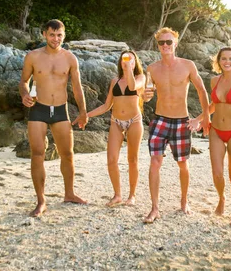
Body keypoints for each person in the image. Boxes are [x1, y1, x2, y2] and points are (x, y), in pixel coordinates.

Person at [19, 19, 88, 217]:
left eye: (59, 35)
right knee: (38, 153)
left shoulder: (70, 58)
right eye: (51, 34)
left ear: (64, 36)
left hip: (60, 110)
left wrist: (83, 111)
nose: (55, 39)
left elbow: (77, 87)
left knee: (67, 154)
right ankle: (41, 201)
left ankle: (69, 194)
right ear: (44, 34)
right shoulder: (32, 56)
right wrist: (24, 94)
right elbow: (24, 81)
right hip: (38, 109)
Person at [142, 27, 211, 223]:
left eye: (168, 42)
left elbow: (201, 90)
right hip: (160, 120)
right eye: (161, 43)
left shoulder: (188, 65)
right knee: (155, 162)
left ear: (176, 44)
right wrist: (144, 96)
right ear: (158, 45)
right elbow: (147, 94)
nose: (165, 46)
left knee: (183, 164)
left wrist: (204, 117)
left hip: (182, 120)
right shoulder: (152, 69)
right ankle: (154, 208)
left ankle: (184, 201)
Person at [190, 47, 231, 227]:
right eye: (224, 59)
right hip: (216, 129)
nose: (227, 62)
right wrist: (198, 118)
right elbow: (213, 105)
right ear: (218, 61)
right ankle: (221, 198)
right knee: (217, 173)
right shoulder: (214, 80)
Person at [87, 50, 145, 207]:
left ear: (135, 63)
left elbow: (133, 86)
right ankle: (117, 195)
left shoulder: (140, 78)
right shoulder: (114, 81)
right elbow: (106, 105)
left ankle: (132, 195)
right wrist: (87, 115)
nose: (127, 62)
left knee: (132, 159)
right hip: (116, 121)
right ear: (120, 62)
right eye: (124, 60)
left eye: (131, 60)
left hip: (134, 121)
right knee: (111, 160)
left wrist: (128, 70)